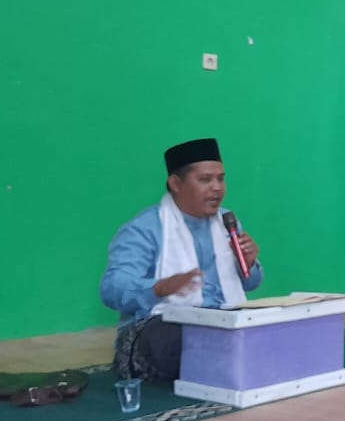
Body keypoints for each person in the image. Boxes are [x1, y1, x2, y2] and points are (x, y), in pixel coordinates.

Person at [100, 138, 262, 381]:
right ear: (176, 184)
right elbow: (112, 290)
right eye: (205, 180)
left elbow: (250, 283)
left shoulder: (227, 222)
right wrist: (159, 288)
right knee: (184, 337)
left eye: (221, 179)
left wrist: (248, 264)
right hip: (160, 325)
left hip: (223, 321)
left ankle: (229, 363)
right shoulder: (144, 229)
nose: (217, 188)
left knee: (274, 326)